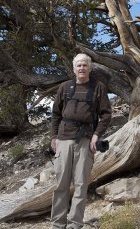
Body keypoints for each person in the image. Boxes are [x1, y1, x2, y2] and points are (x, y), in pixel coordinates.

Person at [50, 53, 112, 229]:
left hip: (85, 140)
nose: (82, 68)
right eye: (79, 65)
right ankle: (57, 224)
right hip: (63, 139)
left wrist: (96, 135)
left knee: (80, 184)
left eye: (85, 65)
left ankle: (75, 223)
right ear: (73, 68)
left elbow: (106, 115)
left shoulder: (98, 87)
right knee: (61, 184)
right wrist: (53, 137)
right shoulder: (65, 87)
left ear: (90, 68)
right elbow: (55, 113)